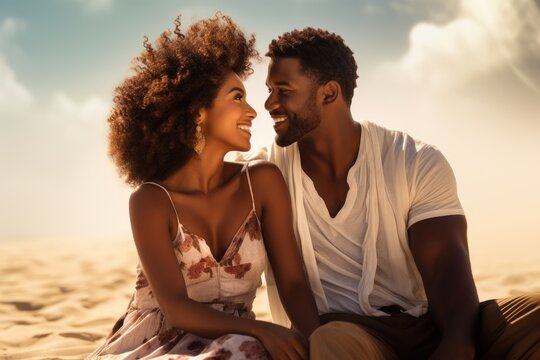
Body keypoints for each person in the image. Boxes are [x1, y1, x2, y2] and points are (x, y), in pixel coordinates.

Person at [239, 27, 540, 359]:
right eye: (269, 89)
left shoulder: (414, 159)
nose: (268, 103)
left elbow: (445, 264)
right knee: (330, 342)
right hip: (347, 338)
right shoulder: (264, 172)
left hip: (426, 326)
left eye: (283, 90)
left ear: (328, 93)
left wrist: (457, 343)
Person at [87, 15, 319, 360]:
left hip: (237, 346)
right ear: (198, 113)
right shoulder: (151, 201)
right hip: (156, 344)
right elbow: (176, 308)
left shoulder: (263, 182)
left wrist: (322, 343)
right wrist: (261, 328)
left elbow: (293, 284)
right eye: (237, 97)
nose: (253, 111)